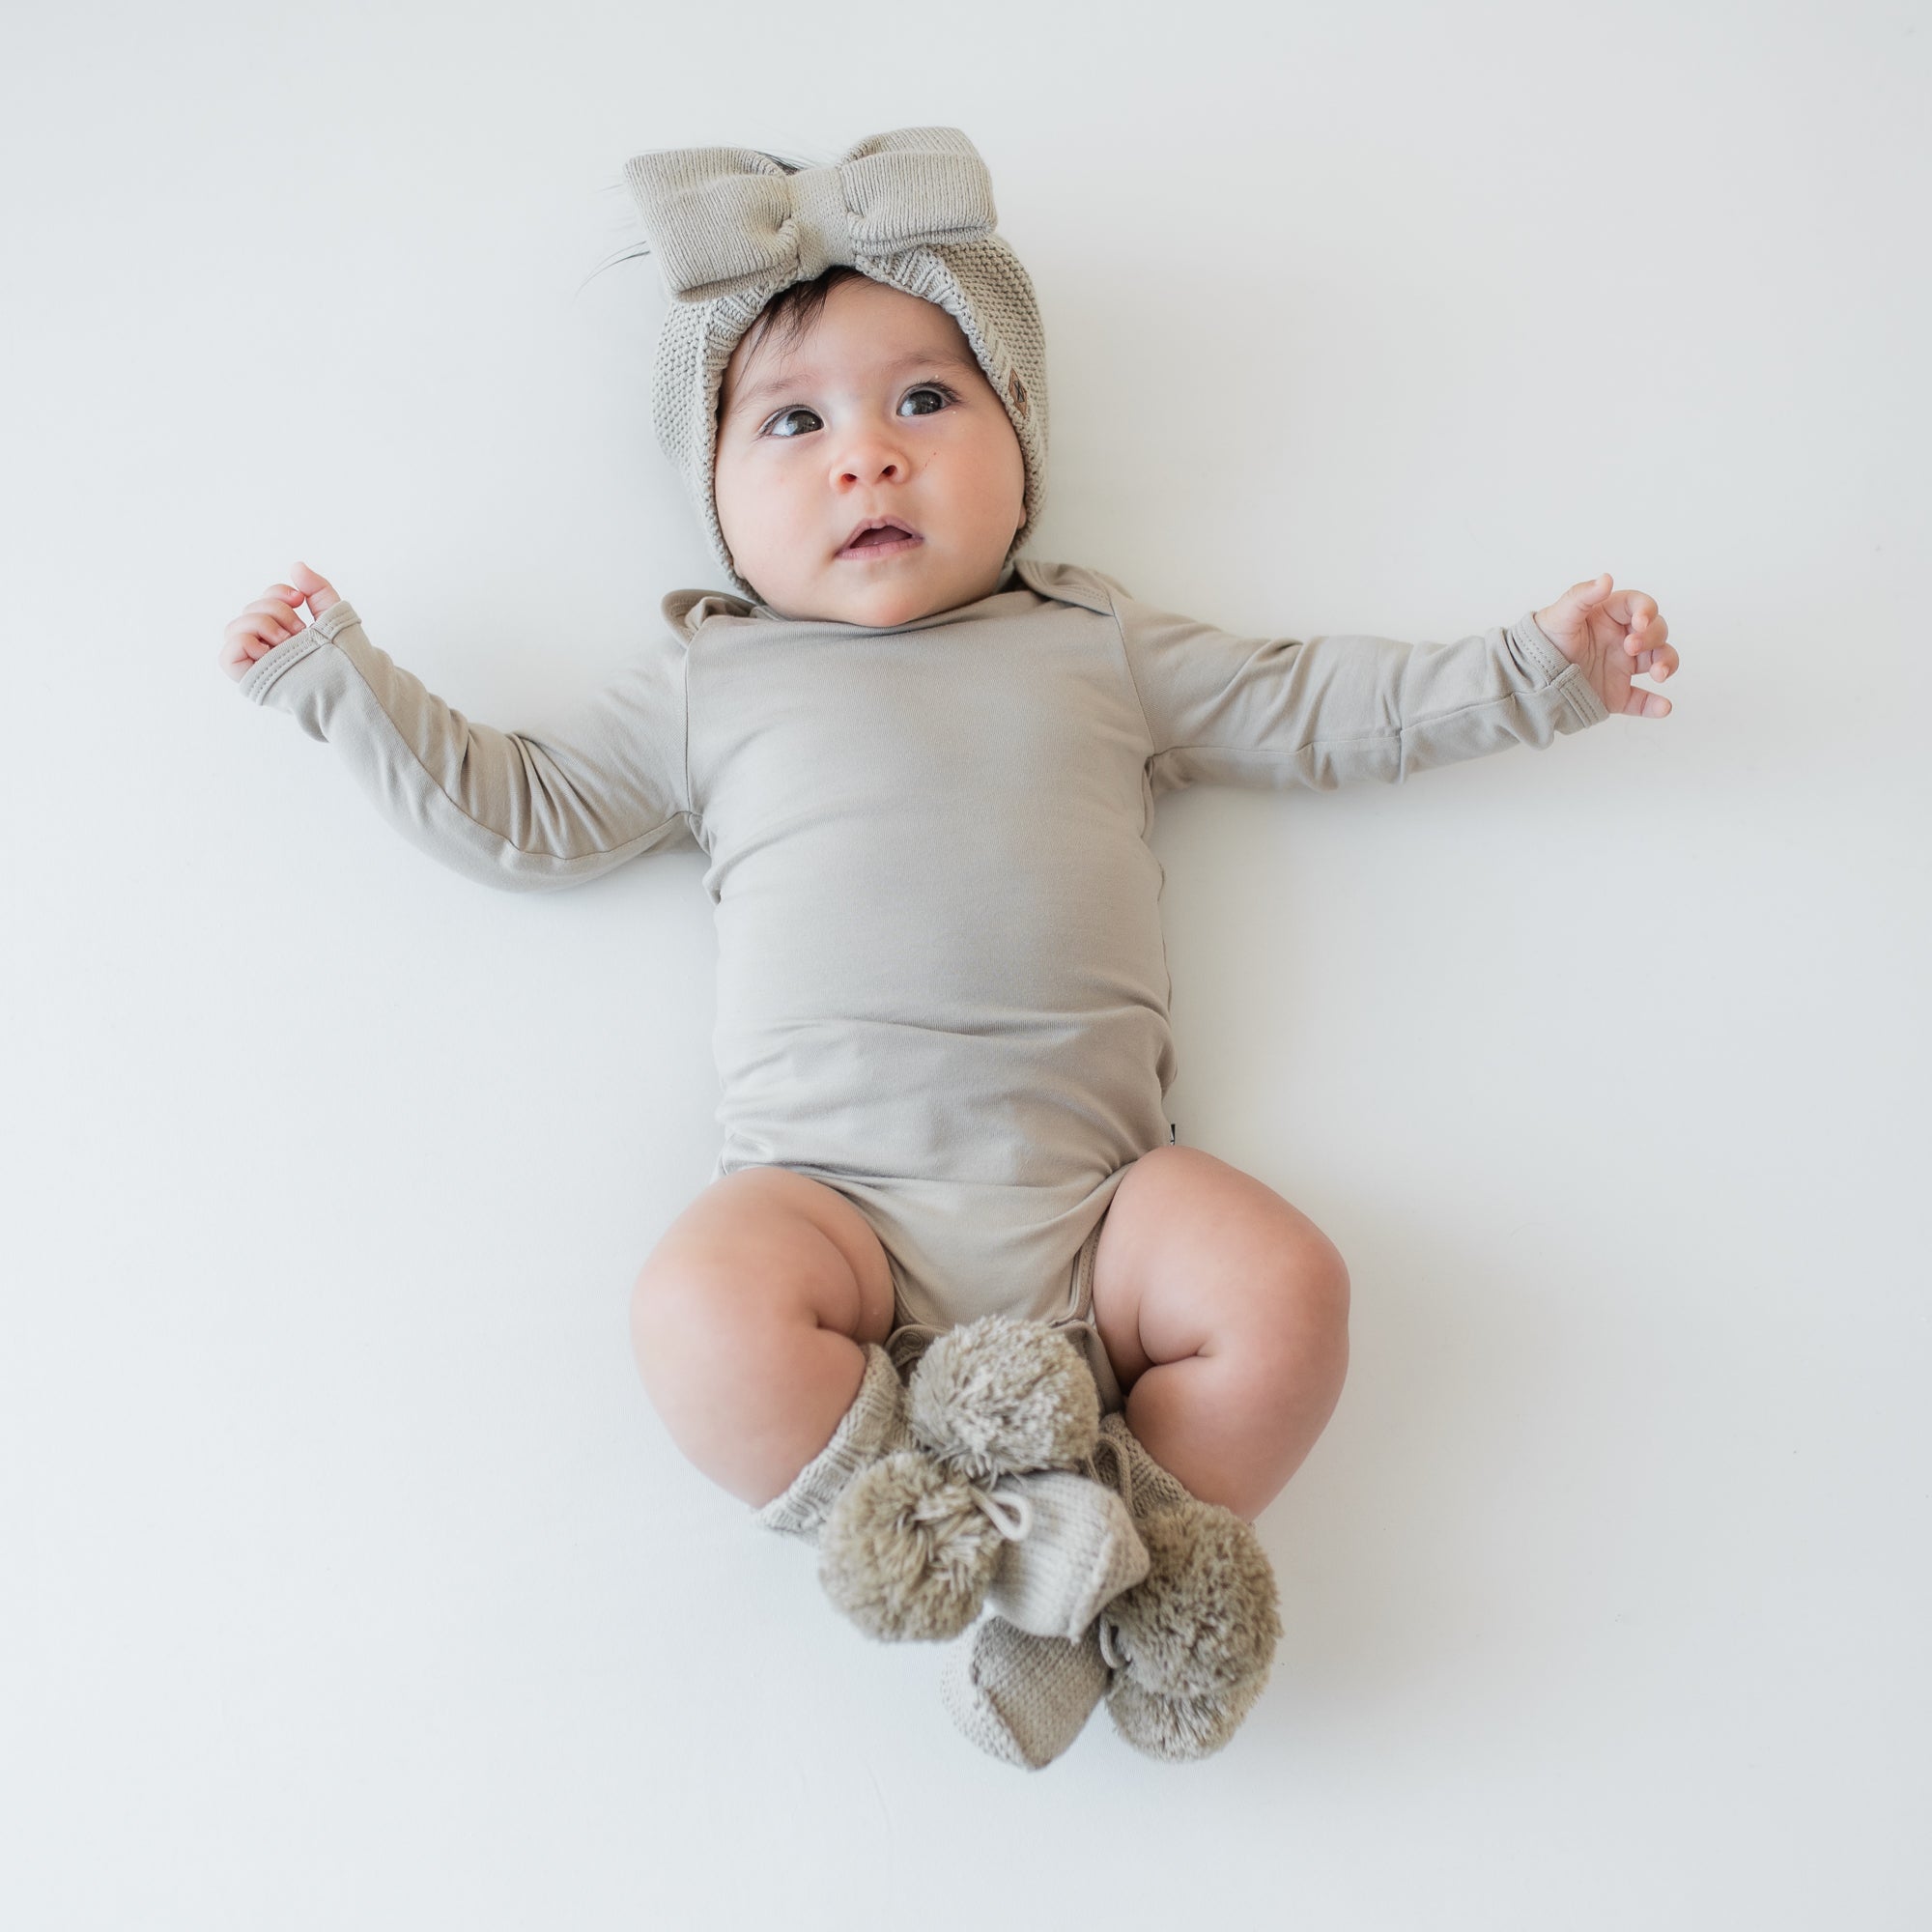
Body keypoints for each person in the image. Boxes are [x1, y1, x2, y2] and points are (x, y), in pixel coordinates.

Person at [218, 127, 1679, 1769]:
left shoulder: (1092, 644)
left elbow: (1317, 705)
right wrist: (343, 688)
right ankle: (955, 1534)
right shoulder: (714, 681)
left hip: (1103, 1210)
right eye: (794, 422)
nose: (868, 458)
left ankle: (1103, 1569)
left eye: (926, 400)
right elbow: (529, 814)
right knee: (696, 1307)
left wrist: (1535, 671)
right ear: (712, 497)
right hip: (832, 1213)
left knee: (1287, 1285)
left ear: (1022, 444)